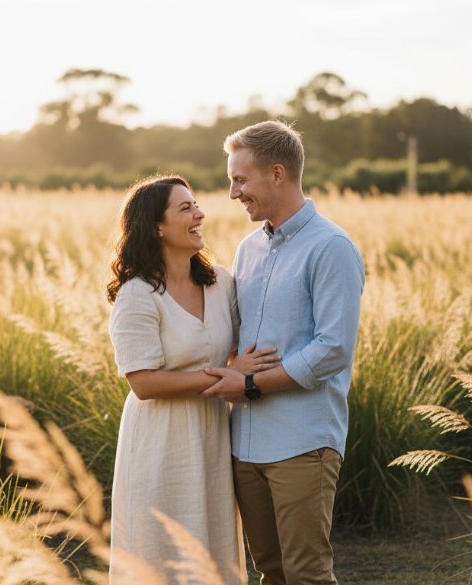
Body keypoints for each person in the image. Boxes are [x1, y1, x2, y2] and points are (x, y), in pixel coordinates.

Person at [202, 121, 365, 585]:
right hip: (245, 444)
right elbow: (238, 332)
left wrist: (249, 384)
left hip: (303, 442)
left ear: (277, 174)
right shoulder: (247, 249)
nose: (233, 193)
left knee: (306, 574)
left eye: (240, 179)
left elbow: (333, 349)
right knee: (270, 572)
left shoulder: (331, 247)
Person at [106, 174, 278, 584]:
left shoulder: (220, 282)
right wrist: (227, 375)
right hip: (159, 441)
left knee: (212, 550)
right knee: (161, 552)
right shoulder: (138, 294)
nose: (200, 213)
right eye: (186, 208)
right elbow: (144, 383)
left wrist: (240, 371)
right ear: (156, 227)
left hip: (213, 434)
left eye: (196, 204)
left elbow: (238, 348)